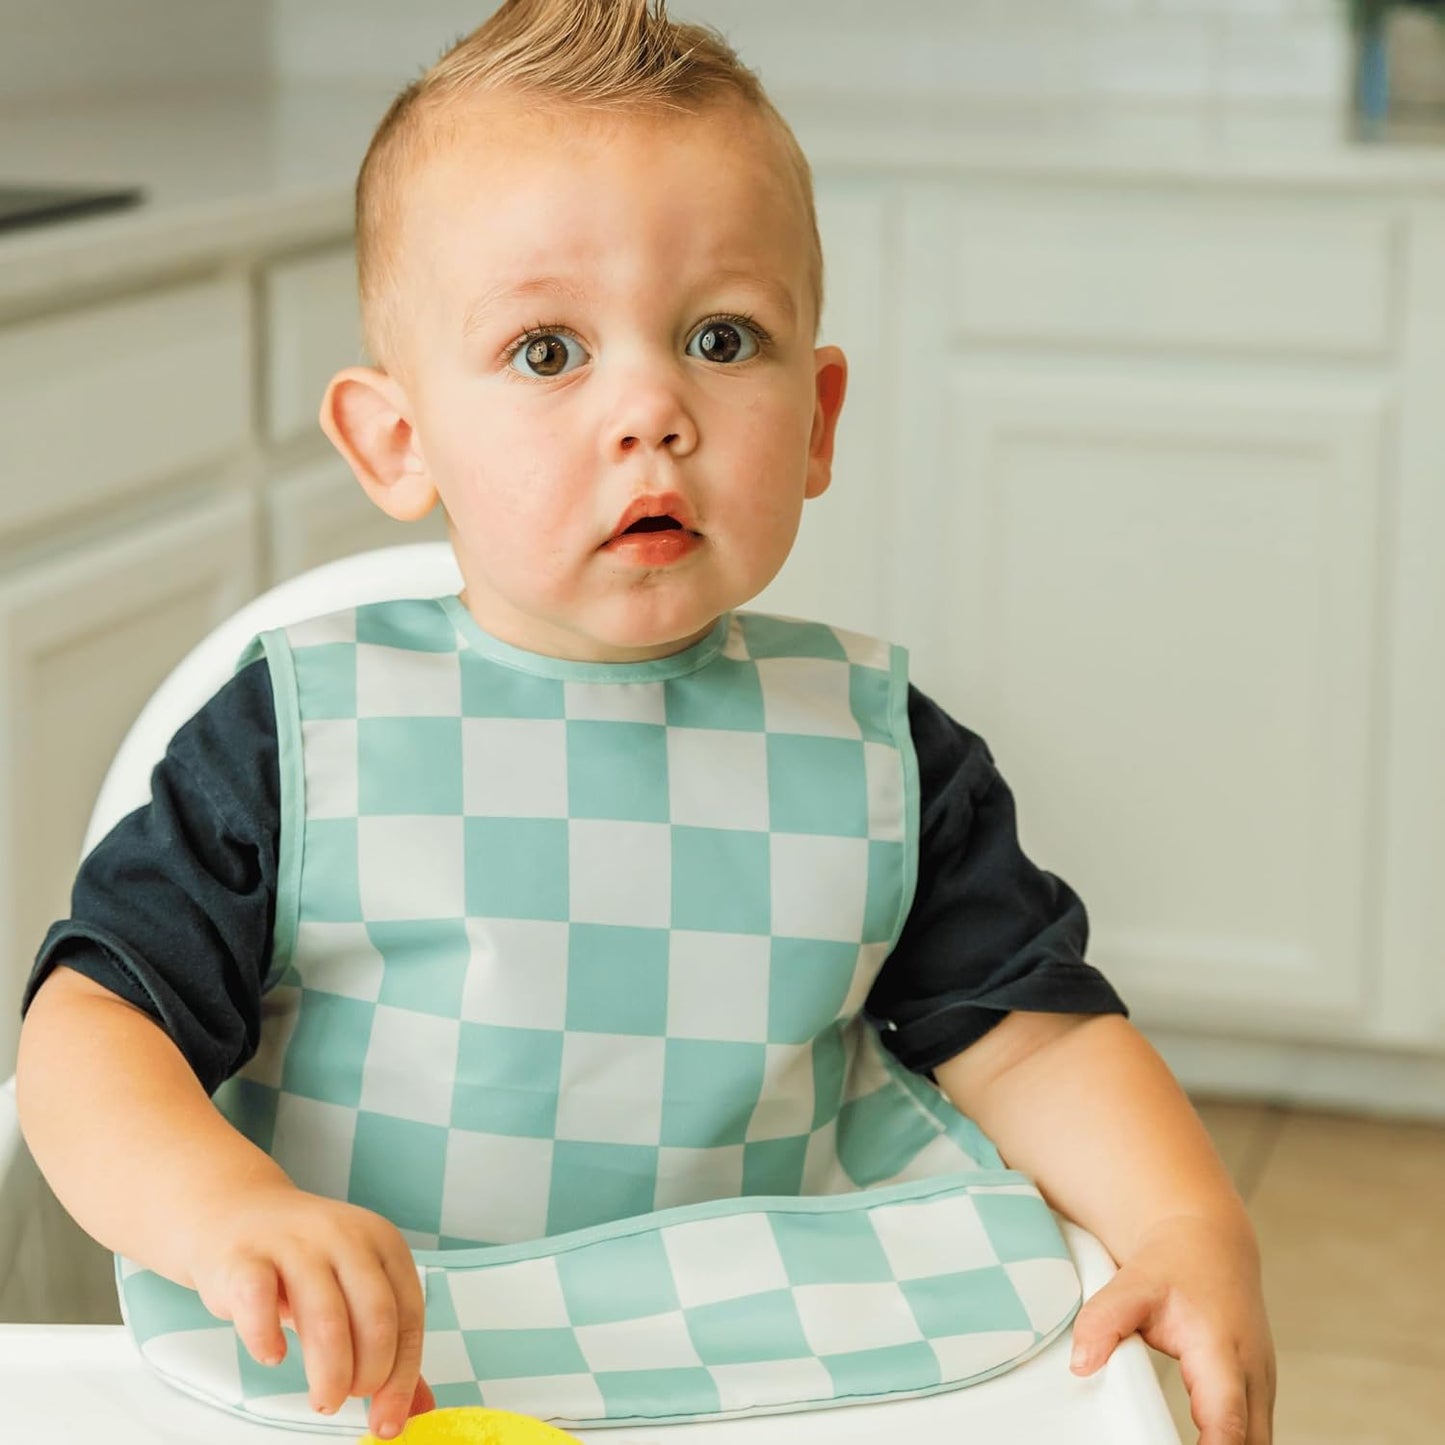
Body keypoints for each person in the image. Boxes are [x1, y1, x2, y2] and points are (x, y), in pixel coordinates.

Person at [15, 2, 1274, 1442]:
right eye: (547, 350)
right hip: (389, 1366)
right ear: (398, 439)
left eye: (721, 337)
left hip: (788, 1369)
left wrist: (1185, 1219)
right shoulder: (294, 744)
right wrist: (226, 1206)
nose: (652, 409)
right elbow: (92, 1027)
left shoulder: (881, 755)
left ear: (818, 417)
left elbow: (1033, 1043)